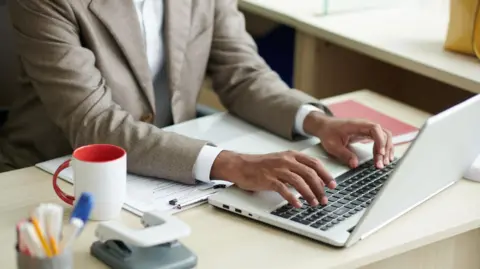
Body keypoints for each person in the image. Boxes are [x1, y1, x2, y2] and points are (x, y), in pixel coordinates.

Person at [0, 0, 393, 208]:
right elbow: (95, 123)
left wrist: (315, 121)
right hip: (52, 179)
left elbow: (242, 73)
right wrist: (234, 164)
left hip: (166, 178)